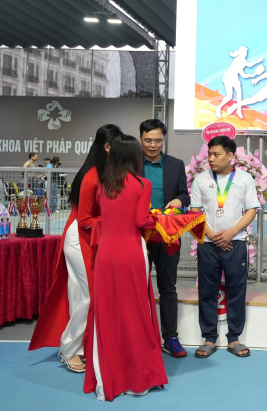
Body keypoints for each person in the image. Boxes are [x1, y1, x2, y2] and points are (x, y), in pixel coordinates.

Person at [29, 124, 123, 373]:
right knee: (86, 296)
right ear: (107, 147)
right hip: (80, 238)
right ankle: (71, 349)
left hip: (93, 237)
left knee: (83, 294)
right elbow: (84, 220)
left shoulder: (107, 172)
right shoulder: (92, 175)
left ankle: (83, 345)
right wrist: (116, 219)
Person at [83, 135, 168, 401]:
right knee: (136, 314)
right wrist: (163, 221)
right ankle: (138, 377)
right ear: (133, 156)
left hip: (106, 254)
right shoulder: (143, 184)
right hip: (131, 253)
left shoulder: (104, 185)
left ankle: (108, 377)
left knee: (107, 314)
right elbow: (142, 220)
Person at [189, 136, 260, 359]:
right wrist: (211, 234)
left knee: (237, 290)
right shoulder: (200, 179)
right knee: (207, 291)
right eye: (209, 154)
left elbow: (251, 210)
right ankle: (209, 338)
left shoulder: (245, 179)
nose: (211, 158)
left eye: (216, 154)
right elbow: (195, 212)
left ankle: (234, 338)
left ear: (230, 156)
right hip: (207, 244)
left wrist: (230, 232)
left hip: (235, 242)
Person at [139, 119, 191, 358]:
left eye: (157, 140)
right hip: (138, 236)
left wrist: (180, 200)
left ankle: (170, 338)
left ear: (164, 140)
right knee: (137, 288)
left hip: (168, 236)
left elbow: (184, 194)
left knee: (168, 287)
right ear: (141, 139)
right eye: (148, 140)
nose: (153, 145)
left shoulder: (175, 164)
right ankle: (139, 338)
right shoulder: (130, 164)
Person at [215, 46, 263, 118]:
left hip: (235, 78)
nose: (246, 53)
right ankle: (218, 107)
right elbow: (247, 69)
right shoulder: (238, 60)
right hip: (229, 77)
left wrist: (252, 73)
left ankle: (239, 110)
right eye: (245, 52)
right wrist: (257, 63)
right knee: (229, 96)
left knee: (239, 94)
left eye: (246, 52)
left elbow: (245, 72)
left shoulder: (242, 61)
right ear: (241, 52)